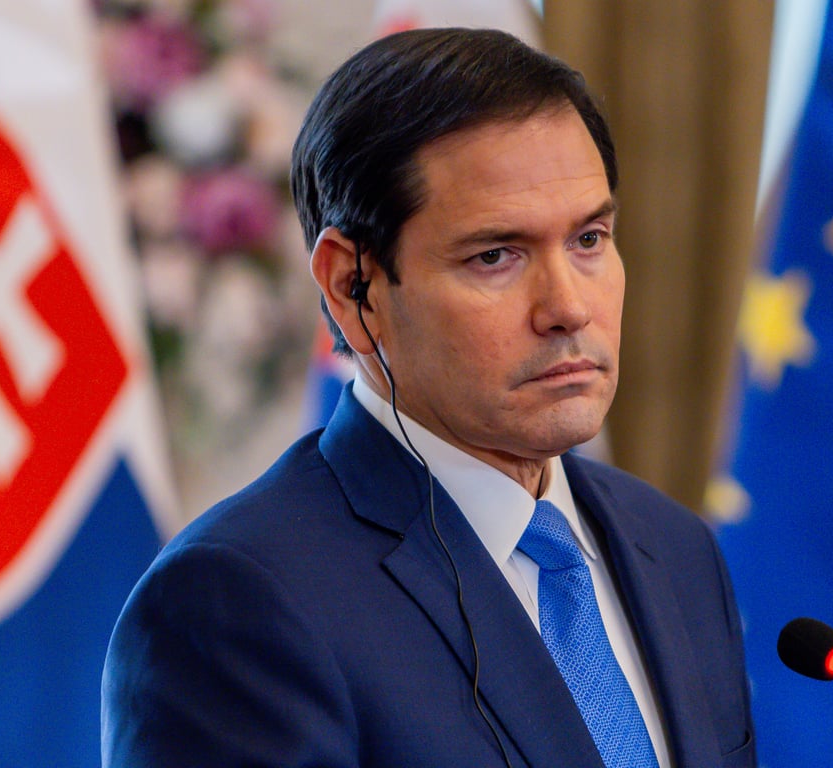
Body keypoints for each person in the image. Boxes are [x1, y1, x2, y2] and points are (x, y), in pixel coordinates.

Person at [102, 27, 755, 768]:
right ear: (353, 287)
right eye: (495, 256)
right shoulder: (236, 604)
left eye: (588, 240)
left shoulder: (675, 547)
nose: (569, 308)